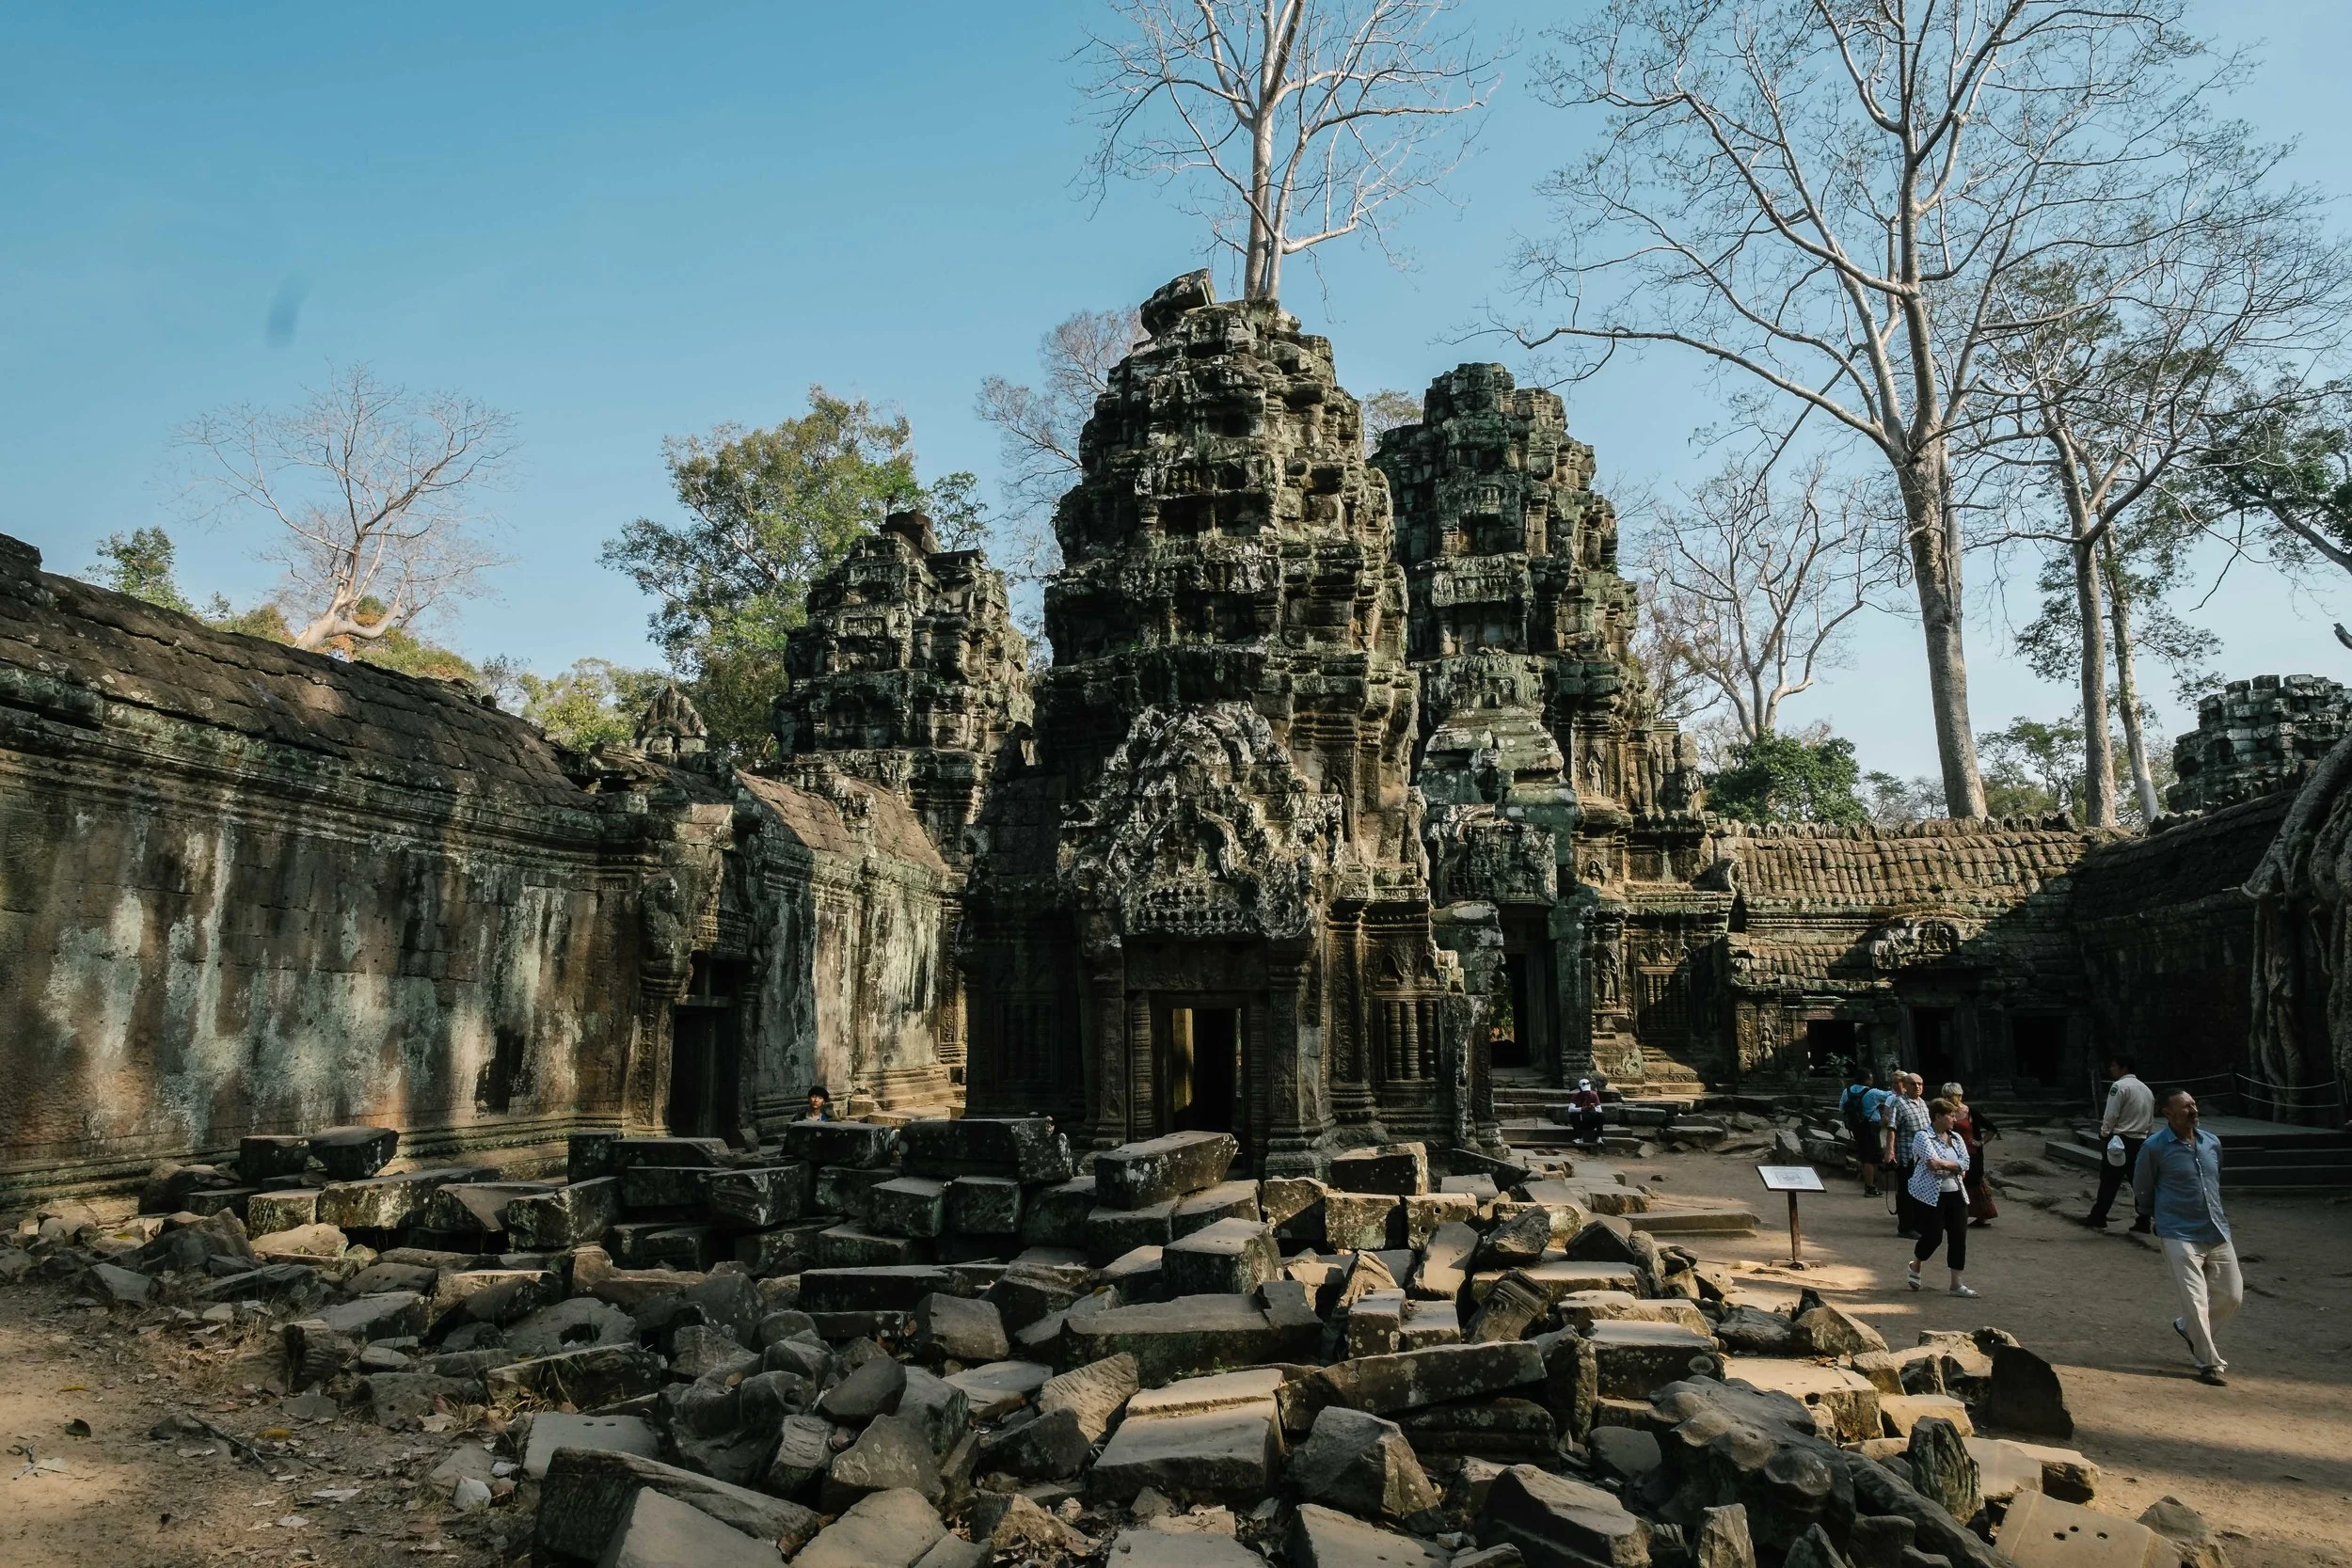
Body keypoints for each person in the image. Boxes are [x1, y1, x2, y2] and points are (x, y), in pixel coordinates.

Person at [2134, 1089, 2240, 1386]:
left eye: (2194, 1104)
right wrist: (2151, 1215)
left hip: (2216, 1229)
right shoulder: (2154, 1148)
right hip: (2177, 1231)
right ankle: (2209, 1363)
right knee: (2194, 1299)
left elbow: (2214, 1177)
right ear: (2167, 1113)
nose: (2193, 1110)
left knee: (2232, 1296)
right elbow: (2142, 1185)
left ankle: (2186, 1328)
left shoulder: (2211, 1143)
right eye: (2185, 1106)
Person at [1905, 1096, 1979, 1296]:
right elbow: (1932, 1164)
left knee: (1958, 1236)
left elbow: (1966, 1163)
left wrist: (1948, 1165)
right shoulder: (1923, 1137)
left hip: (1956, 1192)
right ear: (1938, 1116)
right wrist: (1954, 1166)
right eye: (1951, 1116)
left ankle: (1956, 1283)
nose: (1955, 1119)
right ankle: (1916, 1263)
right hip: (1930, 1194)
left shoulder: (1956, 1138)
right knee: (1934, 1236)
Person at [2082, 1054, 2155, 1229]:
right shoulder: (2146, 1090)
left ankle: (2098, 1216)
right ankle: (2143, 1218)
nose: (2111, 1069)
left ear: (2124, 1068)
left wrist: (2104, 1133)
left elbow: (2112, 1114)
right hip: (2141, 1139)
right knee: (2138, 1181)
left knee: (2109, 1180)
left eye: (2114, 1066)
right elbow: (2150, 1118)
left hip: (2120, 1140)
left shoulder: (2119, 1087)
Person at [1942, 1081, 1999, 1226]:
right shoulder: (1943, 1112)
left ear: (1959, 1096)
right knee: (1954, 1183)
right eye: (1945, 1096)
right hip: (1951, 1153)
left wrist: (1981, 1142)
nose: (1948, 1099)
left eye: (1950, 1096)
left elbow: (1991, 1128)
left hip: (1972, 1154)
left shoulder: (1970, 1112)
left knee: (1974, 1183)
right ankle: (1956, 1215)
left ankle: (1982, 1215)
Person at [1883, 1073, 1932, 1238]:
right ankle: (1906, 1227)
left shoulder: (1923, 1103)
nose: (1917, 1087)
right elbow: (1892, 1129)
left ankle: (1918, 1224)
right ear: (1905, 1085)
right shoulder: (1899, 1103)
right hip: (1906, 1155)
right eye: (1913, 1084)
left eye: (1920, 1084)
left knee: (1920, 1190)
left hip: (1922, 1156)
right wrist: (1890, 1151)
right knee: (1906, 1192)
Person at [1839, 1067, 1889, 1196]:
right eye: (1871, 1077)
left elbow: (1841, 1108)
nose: (1872, 1080)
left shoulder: (1847, 1091)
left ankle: (1871, 1183)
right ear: (1867, 1079)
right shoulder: (1872, 1093)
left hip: (1856, 1127)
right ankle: (1870, 1187)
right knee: (1870, 1158)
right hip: (1870, 1126)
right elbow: (1891, 1096)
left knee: (1864, 1155)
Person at [1567, 1078, 1606, 1148]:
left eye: (1587, 1092)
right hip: (1580, 1121)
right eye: (1585, 1092)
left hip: (1591, 1120)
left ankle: (1598, 1137)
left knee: (1601, 1115)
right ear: (1580, 1089)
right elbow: (1570, 1109)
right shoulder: (1576, 1096)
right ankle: (1578, 1137)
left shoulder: (1594, 1095)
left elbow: (1599, 1109)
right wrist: (1583, 1109)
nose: (1586, 1093)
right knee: (1573, 1115)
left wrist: (1593, 1108)